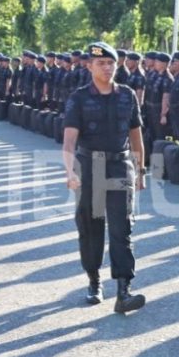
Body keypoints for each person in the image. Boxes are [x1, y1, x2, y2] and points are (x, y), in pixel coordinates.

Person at [62, 41, 147, 314]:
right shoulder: (79, 98)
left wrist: (141, 170)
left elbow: (136, 136)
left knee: (122, 228)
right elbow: (69, 141)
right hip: (89, 167)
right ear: (90, 66)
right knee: (91, 227)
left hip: (120, 166)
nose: (107, 67)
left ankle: (124, 289)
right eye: (101, 63)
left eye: (111, 63)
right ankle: (93, 280)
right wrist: (69, 171)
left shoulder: (127, 95)